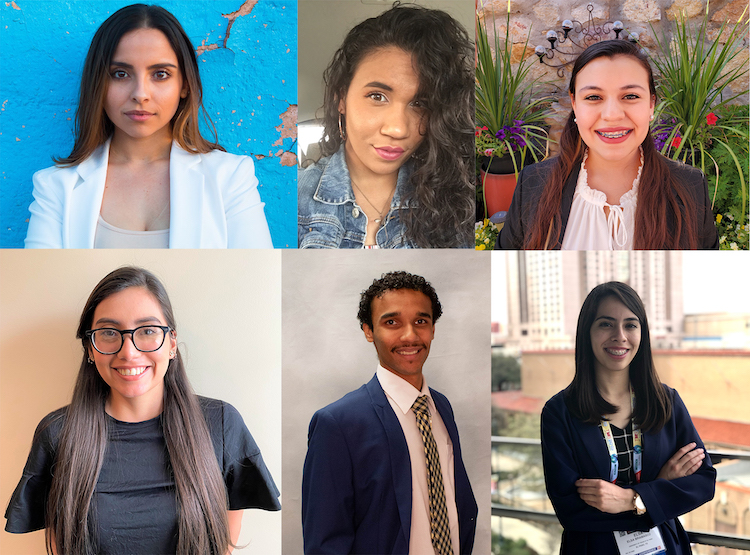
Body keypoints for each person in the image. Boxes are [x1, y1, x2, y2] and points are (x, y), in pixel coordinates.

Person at [4, 267, 280, 554]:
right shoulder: (58, 433)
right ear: (90, 348)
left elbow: (223, 544)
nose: (129, 351)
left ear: (172, 342)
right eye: (109, 332)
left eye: (147, 331)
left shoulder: (221, 424)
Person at [24, 4, 273, 249]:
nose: (140, 94)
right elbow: (40, 286)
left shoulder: (230, 178)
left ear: (185, 85)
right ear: (98, 83)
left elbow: (257, 281)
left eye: (161, 74)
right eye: (120, 74)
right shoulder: (55, 187)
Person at [302, 271, 477, 554]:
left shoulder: (441, 406)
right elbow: (325, 541)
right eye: (392, 322)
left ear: (433, 329)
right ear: (368, 331)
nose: (410, 335)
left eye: (421, 321)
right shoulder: (338, 423)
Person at [541, 282, 716, 554]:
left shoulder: (665, 401)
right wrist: (661, 487)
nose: (620, 336)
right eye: (606, 324)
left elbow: (703, 481)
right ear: (587, 332)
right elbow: (571, 511)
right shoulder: (560, 413)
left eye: (631, 325)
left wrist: (632, 499)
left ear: (642, 334)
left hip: (664, 547)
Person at [498, 40, 718, 250]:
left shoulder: (690, 187)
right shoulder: (533, 184)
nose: (612, 115)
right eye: (594, 97)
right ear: (574, 104)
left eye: (630, 96)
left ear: (651, 104)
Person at [297, 4, 475, 249]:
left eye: (420, 103)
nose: (398, 129)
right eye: (377, 96)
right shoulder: (295, 201)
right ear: (342, 99)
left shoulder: (456, 202)